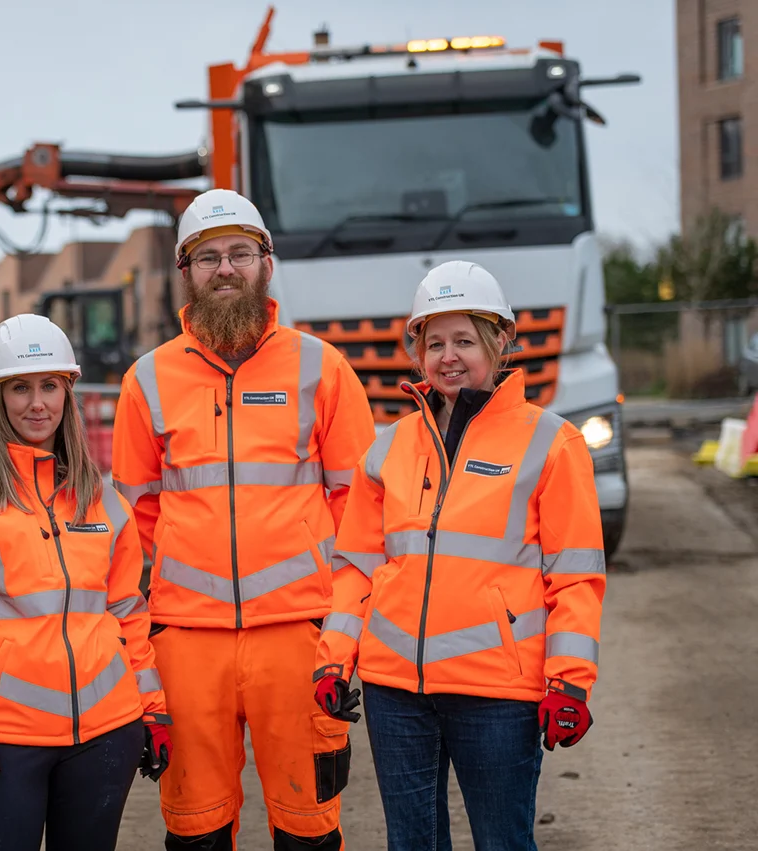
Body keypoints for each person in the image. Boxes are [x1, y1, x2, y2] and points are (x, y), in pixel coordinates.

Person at [111, 189, 377, 850]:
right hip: (186, 642)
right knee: (195, 832)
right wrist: (137, 659)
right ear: (187, 271)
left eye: (239, 254)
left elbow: (365, 517)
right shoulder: (146, 381)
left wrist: (344, 641)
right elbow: (126, 529)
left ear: (266, 262)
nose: (224, 269)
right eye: (208, 257)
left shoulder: (323, 369)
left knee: (308, 831)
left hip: (300, 637)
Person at [313, 260, 606, 851]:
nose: (449, 356)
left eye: (465, 341)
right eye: (435, 342)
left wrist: (569, 684)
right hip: (397, 692)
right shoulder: (388, 449)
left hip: (497, 694)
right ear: (417, 351)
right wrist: (333, 657)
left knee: (503, 842)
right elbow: (358, 569)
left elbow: (575, 579)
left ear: (501, 342)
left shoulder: (552, 442)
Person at [0, 313, 173, 851]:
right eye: (21, 388)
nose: (38, 403)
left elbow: (127, 613)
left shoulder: (104, 502)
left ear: (68, 391)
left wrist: (153, 709)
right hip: (6, 740)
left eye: (50, 386)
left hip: (107, 734)